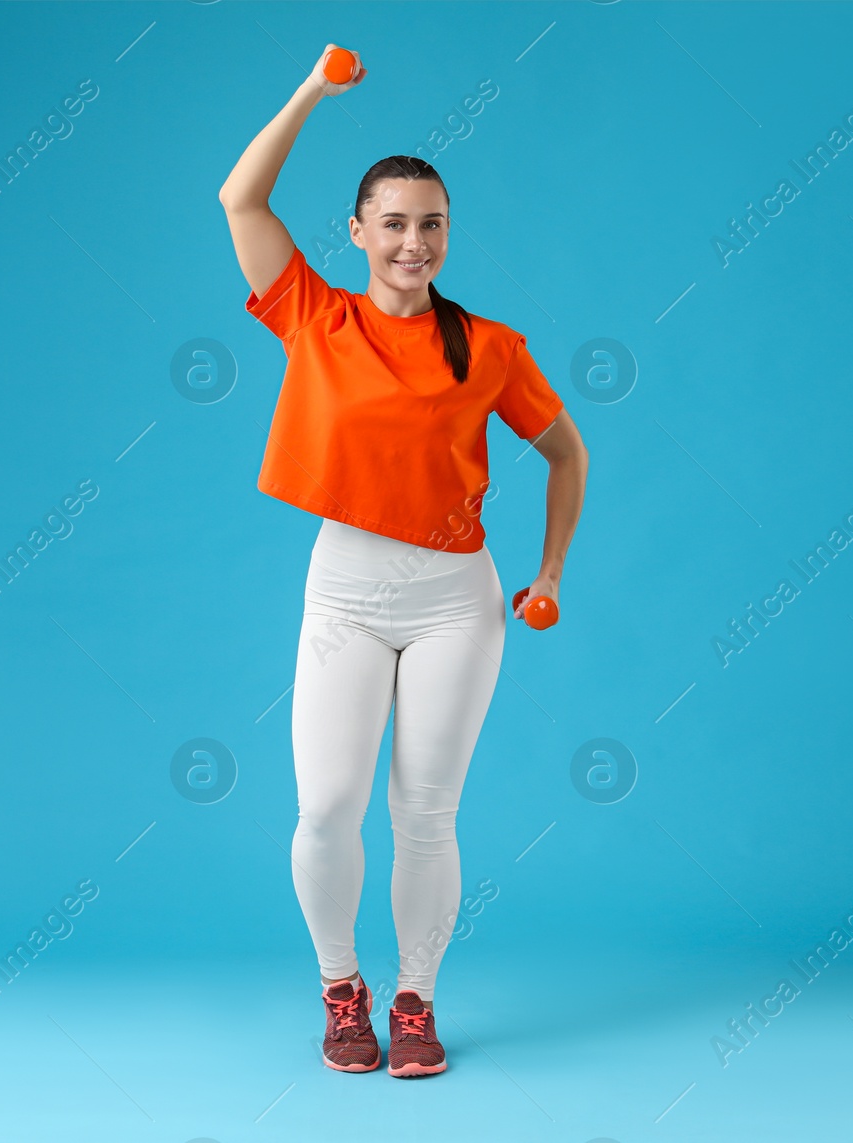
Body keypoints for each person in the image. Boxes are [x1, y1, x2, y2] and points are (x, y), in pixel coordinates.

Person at [217, 45, 588, 1078]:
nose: (412, 241)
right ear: (357, 232)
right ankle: (344, 991)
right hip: (342, 590)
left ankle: (416, 1003)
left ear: (446, 234)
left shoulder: (492, 348)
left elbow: (565, 452)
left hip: (453, 601)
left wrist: (549, 572)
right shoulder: (314, 317)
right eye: (392, 223)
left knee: (424, 812)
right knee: (327, 808)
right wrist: (310, 93)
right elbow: (239, 198)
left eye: (430, 223)